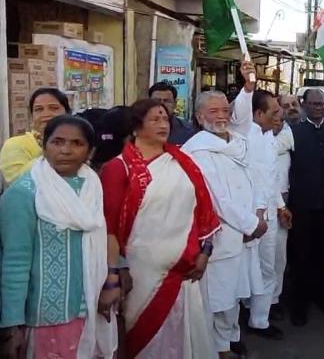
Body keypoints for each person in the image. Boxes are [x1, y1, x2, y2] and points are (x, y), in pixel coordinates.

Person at [99, 99, 220, 357]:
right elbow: (109, 228)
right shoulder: (118, 168)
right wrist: (115, 272)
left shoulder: (184, 163)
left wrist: (205, 251)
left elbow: (203, 211)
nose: (163, 124)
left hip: (186, 271)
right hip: (140, 276)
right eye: (154, 119)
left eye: (165, 119)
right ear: (135, 128)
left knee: (182, 339)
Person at [0, 116, 115, 358]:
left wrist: (108, 285)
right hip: (45, 318)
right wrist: (11, 325)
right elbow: (14, 262)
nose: (66, 150)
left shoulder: (92, 186)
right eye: (57, 142)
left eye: (77, 143)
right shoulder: (24, 193)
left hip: (90, 309)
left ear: (90, 151)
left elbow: (101, 241)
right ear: (44, 146)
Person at [182, 61, 268, 357]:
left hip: (245, 236)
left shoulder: (237, 141)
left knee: (233, 299)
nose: (221, 116)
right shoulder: (197, 150)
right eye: (213, 111)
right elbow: (216, 198)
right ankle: (212, 350)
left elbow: (254, 177)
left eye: (224, 110)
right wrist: (251, 224)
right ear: (199, 117)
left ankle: (228, 343)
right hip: (219, 240)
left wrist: (259, 212)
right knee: (215, 301)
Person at [286, 88, 324, 326]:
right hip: (301, 205)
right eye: (314, 104)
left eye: (322, 104)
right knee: (300, 256)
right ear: (304, 104)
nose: (318, 108)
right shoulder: (293, 132)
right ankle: (299, 305)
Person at [245, 90, 290, 340]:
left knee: (267, 269)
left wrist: (281, 207)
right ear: (258, 114)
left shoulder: (269, 137)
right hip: (247, 219)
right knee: (241, 270)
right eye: (274, 111)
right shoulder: (242, 138)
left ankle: (259, 320)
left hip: (269, 217)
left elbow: (271, 181)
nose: (279, 115)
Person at [0, 88, 70, 183]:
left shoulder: (78, 142)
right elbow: (19, 182)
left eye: (54, 108)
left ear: (67, 113)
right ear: (32, 116)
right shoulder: (15, 144)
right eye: (39, 109)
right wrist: (48, 151)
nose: (46, 114)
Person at [269, 106, 294, 319]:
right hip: (259, 205)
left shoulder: (288, 133)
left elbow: (275, 146)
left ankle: (273, 300)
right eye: (274, 114)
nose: (278, 118)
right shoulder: (253, 138)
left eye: (280, 115)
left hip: (282, 202)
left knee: (278, 255)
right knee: (260, 258)